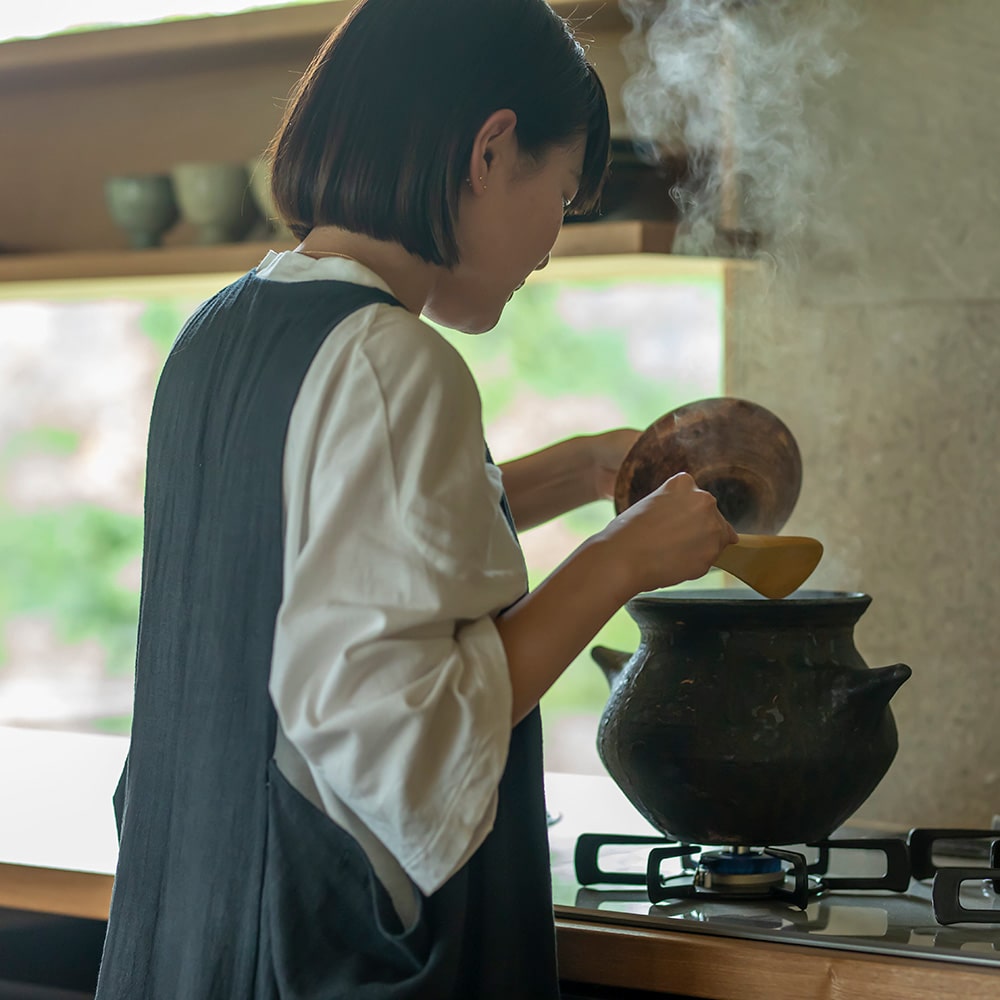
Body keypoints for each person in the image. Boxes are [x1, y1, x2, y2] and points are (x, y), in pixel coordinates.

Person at [94, 0, 736, 997]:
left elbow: (331, 557)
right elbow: (414, 732)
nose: (549, 246)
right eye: (560, 198)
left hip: (191, 924)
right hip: (323, 955)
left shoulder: (224, 328)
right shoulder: (395, 359)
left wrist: (576, 473)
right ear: (489, 151)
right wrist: (625, 562)